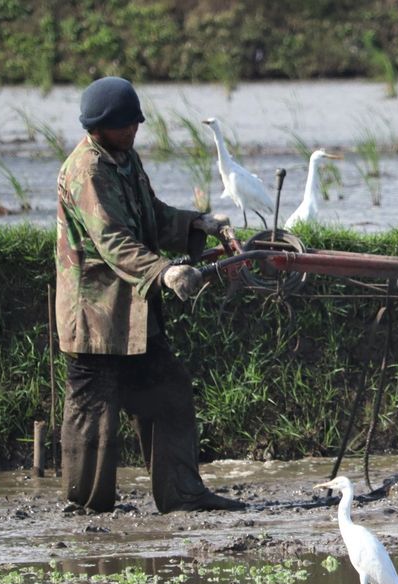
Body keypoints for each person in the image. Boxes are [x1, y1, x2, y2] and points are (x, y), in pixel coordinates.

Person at [55, 76, 244, 513]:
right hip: (96, 315)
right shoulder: (88, 170)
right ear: (99, 127)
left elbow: (151, 215)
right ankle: (85, 506)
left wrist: (196, 223)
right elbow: (114, 240)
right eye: (125, 126)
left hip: (134, 313)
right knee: (94, 414)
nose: (133, 131)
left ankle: (182, 494)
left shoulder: (124, 159)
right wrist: (166, 272)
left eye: (136, 123)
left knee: (169, 391)